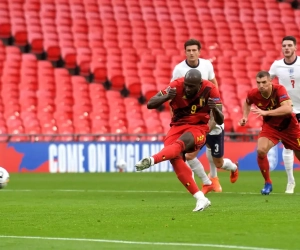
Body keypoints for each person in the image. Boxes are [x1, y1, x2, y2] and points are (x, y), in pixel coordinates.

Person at [135, 69, 238, 211]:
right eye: (186, 85)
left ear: (200, 84)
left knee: (181, 145)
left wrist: (215, 109)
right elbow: (150, 104)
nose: (187, 89)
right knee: (175, 157)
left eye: (191, 86)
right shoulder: (176, 85)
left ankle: (152, 160)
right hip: (177, 126)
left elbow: (220, 119)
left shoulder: (210, 89)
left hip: (198, 128)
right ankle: (200, 198)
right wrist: (166, 97)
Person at [171, 38, 238, 194]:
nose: (192, 53)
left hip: (210, 117)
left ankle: (233, 167)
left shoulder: (207, 65)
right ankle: (207, 182)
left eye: (194, 50)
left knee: (219, 162)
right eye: (189, 50)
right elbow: (173, 95)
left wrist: (217, 104)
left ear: (199, 52)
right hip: (193, 118)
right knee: (189, 155)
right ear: (185, 52)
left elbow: (214, 83)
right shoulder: (179, 70)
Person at [239, 70, 300, 195]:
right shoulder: (253, 93)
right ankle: (268, 183)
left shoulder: (279, 89)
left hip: (290, 128)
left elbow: (288, 109)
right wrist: (245, 116)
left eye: (264, 82)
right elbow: (247, 102)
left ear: (270, 81)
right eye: (258, 83)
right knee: (261, 150)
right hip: (271, 127)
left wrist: (266, 113)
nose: (261, 85)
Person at [268, 35, 300, 194]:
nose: (286, 48)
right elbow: (267, 82)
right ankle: (290, 182)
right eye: (284, 46)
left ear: (295, 47)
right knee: (288, 146)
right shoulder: (277, 65)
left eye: (289, 45)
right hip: (288, 110)